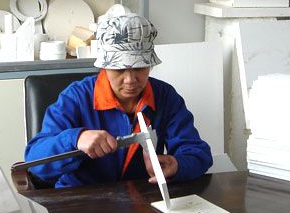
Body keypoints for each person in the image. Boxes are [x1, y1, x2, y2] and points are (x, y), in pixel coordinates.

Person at [24, 13, 213, 188]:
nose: (130, 80)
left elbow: (198, 153)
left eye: (139, 67)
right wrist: (75, 139)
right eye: (119, 69)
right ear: (104, 66)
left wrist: (177, 164)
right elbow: (35, 163)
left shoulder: (165, 96)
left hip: (141, 198)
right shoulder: (75, 98)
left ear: (150, 64)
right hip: (81, 199)